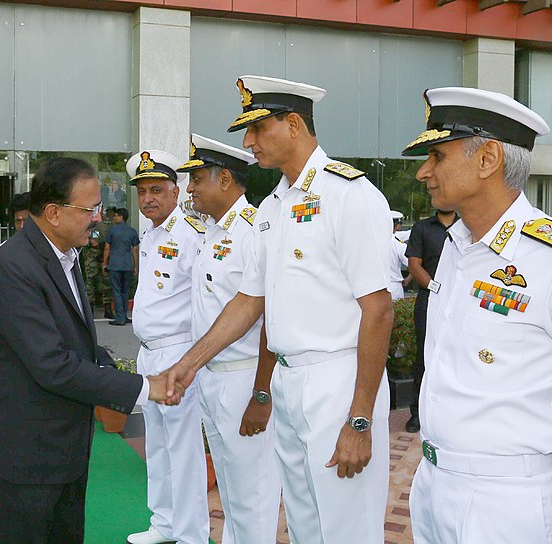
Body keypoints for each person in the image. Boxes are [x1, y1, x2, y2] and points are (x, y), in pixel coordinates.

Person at [164, 75, 393, 544]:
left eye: (258, 129)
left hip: (338, 380)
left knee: (346, 526)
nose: (248, 143)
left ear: (293, 125)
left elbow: (379, 310)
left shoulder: (349, 194)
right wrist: (188, 364)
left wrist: (361, 418)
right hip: (289, 381)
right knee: (307, 523)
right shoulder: (272, 207)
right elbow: (250, 301)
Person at [0, 157, 176, 543]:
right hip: (28, 454)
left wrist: (124, 374)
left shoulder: (65, 254)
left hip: (63, 447)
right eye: (89, 209)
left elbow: (80, 343)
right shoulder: (14, 266)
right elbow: (53, 365)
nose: (97, 218)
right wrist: (146, 389)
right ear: (53, 212)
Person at [400, 87, 552, 543]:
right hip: (435, 485)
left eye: (437, 156)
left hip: (510, 502)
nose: (423, 173)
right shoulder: (458, 249)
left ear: (488, 158)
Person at [178, 134, 282, 543]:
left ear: (224, 180)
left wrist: (262, 393)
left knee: (253, 493)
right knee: (231, 489)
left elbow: (271, 316)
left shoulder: (253, 230)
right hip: (212, 378)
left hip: (244, 379)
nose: (190, 189)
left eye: (197, 179)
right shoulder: (210, 231)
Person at [126, 150, 209, 544]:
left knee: (184, 451)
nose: (148, 199)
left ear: (176, 192)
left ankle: (192, 535)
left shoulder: (192, 232)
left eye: (156, 189)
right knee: (156, 445)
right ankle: (163, 524)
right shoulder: (152, 233)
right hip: (149, 353)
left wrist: (195, 357)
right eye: (142, 191)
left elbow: (205, 298)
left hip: (178, 352)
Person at [403, 207, 458, 433]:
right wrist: (436, 288)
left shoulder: (468, 227)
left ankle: (451, 414)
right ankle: (417, 413)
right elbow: (414, 265)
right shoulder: (422, 228)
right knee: (424, 357)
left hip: (459, 301)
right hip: (429, 300)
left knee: (457, 357)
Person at [103, 207, 139, 326]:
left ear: (121, 217)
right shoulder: (132, 231)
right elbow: (135, 250)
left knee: (116, 291)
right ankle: (124, 315)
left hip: (115, 264)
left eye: (116, 216)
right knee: (125, 291)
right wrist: (135, 266)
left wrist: (105, 262)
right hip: (128, 264)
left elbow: (107, 248)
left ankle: (120, 318)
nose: (114, 217)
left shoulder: (112, 230)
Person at [388, 210, 409, 300]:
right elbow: (413, 264)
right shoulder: (398, 244)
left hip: (374, 287)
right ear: (398, 225)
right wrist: (409, 278)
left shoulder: (371, 241)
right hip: (394, 287)